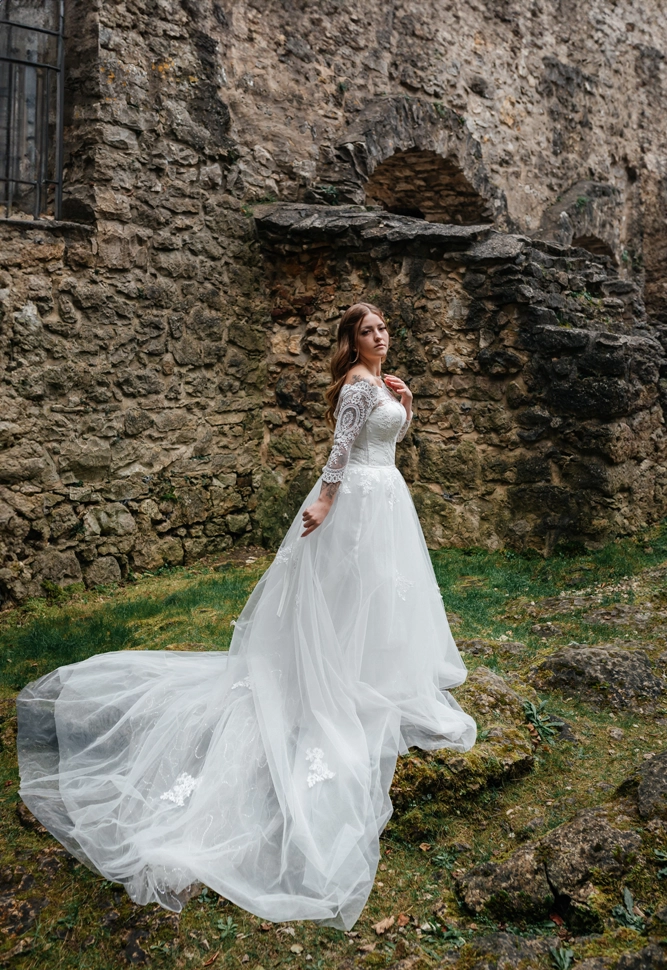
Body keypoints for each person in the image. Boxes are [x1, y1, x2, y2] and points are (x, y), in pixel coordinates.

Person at [16, 303, 476, 931]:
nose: (380, 338)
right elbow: (340, 451)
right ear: (350, 340)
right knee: (349, 595)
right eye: (369, 332)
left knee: (381, 598)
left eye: (384, 330)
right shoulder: (353, 388)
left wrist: (408, 401)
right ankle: (335, 676)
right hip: (357, 503)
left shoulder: (382, 386)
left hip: (387, 498)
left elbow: (386, 439)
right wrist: (324, 503)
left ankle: (377, 668)